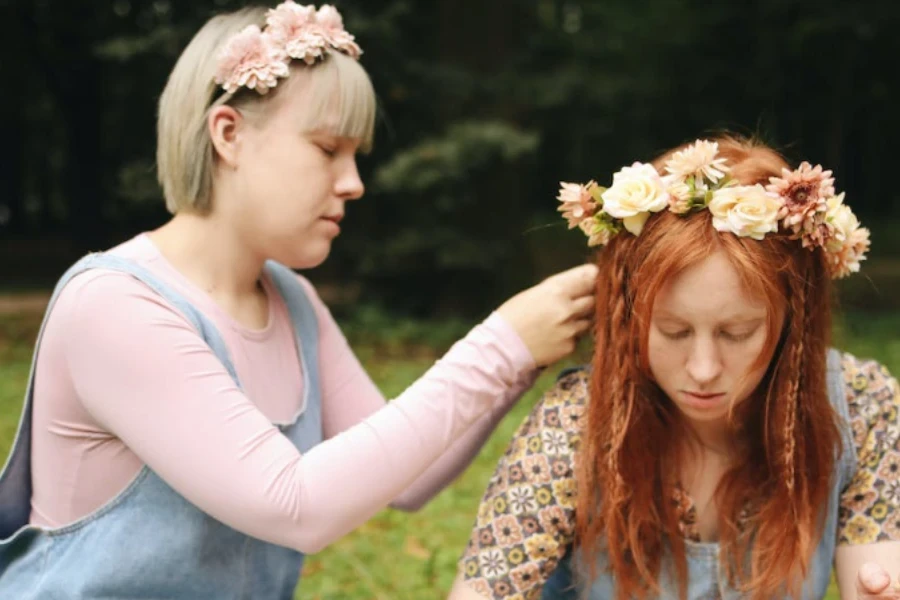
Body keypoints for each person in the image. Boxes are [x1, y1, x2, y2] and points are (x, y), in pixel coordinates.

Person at [0, 3, 598, 598]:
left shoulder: (291, 299)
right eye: (326, 149)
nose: (354, 182)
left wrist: (524, 353)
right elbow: (297, 507)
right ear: (228, 135)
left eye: (356, 156)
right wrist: (500, 345)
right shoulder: (116, 307)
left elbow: (409, 482)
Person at [448, 136, 900, 600]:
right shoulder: (574, 424)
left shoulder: (859, 406)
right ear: (627, 318)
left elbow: (879, 577)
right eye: (673, 331)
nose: (703, 369)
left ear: (794, 320)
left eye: (736, 333)